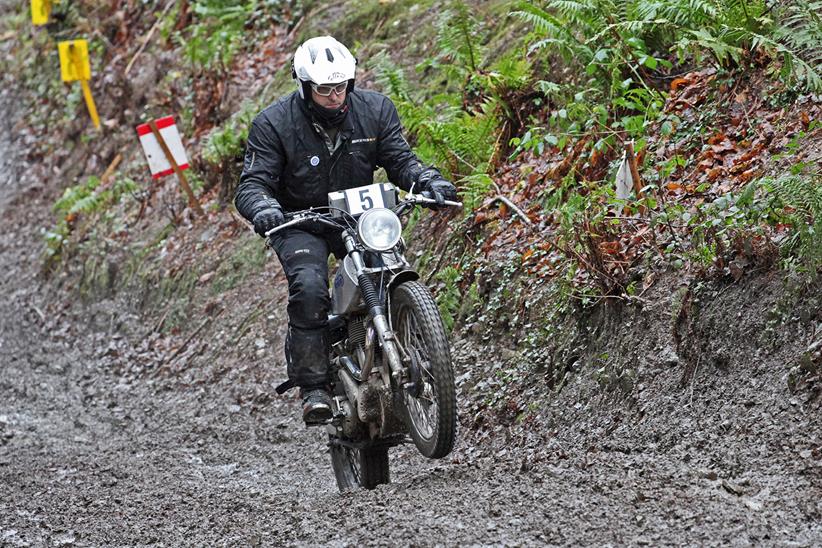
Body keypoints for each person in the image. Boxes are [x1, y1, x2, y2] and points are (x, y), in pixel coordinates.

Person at [234, 36, 458, 426]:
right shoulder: (273, 124)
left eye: (341, 87)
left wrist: (427, 180)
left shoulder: (375, 110)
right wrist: (265, 209)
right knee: (309, 287)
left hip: (358, 214)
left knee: (386, 269)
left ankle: (397, 344)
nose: (335, 96)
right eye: (324, 89)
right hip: (301, 221)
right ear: (305, 87)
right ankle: (315, 387)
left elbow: (401, 161)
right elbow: (252, 184)